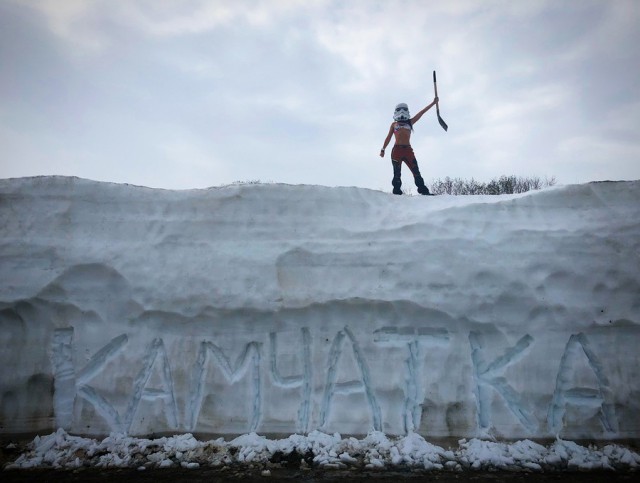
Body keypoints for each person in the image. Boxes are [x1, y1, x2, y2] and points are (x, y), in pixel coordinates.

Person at [379, 98, 438, 195]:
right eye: (399, 109)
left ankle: (423, 190)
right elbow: (388, 137)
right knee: (397, 173)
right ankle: (397, 192)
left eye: (404, 109)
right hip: (396, 151)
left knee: (416, 171)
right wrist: (383, 149)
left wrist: (433, 103)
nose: (402, 112)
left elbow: (422, 112)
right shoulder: (394, 125)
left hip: (408, 150)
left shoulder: (410, 122)